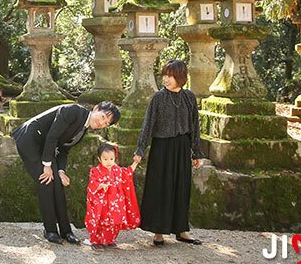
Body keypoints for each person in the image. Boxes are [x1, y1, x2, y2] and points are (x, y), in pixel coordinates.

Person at [12, 101, 121, 244]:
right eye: (102, 117)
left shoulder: (83, 129)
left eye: (106, 123)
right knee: (46, 181)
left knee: (58, 183)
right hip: (30, 139)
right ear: (96, 109)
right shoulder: (74, 111)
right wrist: (47, 165)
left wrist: (61, 171)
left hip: (45, 146)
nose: (102, 123)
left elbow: (64, 150)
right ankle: (50, 230)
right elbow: (52, 136)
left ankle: (66, 231)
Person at [132, 59, 204, 246]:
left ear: (180, 76)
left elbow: (195, 126)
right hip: (161, 147)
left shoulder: (189, 97)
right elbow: (148, 124)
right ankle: (158, 232)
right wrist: (141, 148)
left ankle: (181, 230)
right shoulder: (158, 98)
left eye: (170, 75)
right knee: (159, 187)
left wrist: (197, 152)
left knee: (181, 187)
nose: (166, 79)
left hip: (182, 146)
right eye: (165, 75)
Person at [84, 144, 141, 251]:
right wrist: (100, 185)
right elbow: (93, 183)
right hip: (101, 203)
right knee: (101, 220)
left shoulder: (117, 170)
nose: (109, 161)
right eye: (105, 159)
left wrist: (136, 162)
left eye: (111, 159)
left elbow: (128, 173)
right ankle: (96, 241)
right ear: (99, 159)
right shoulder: (95, 171)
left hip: (115, 202)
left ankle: (110, 240)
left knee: (114, 221)